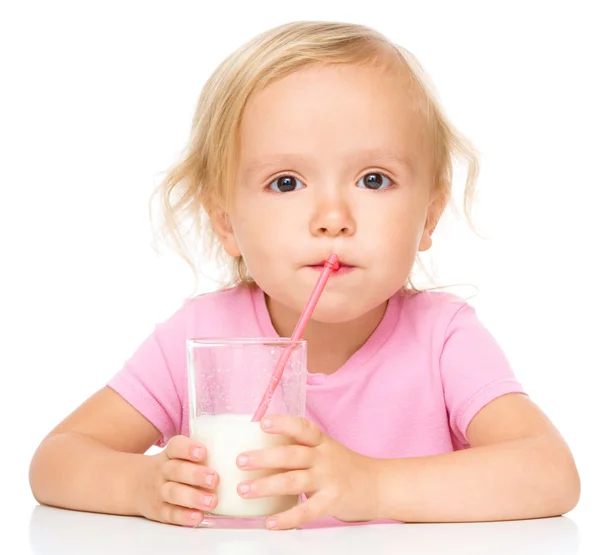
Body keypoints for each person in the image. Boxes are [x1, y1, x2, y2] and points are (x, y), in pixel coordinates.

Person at [29, 20, 580, 530]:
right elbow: (58, 458)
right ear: (225, 223)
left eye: (373, 179)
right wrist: (144, 485)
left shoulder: (443, 339)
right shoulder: (201, 338)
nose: (334, 219)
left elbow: (551, 474)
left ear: (429, 217)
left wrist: (374, 486)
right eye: (287, 183)